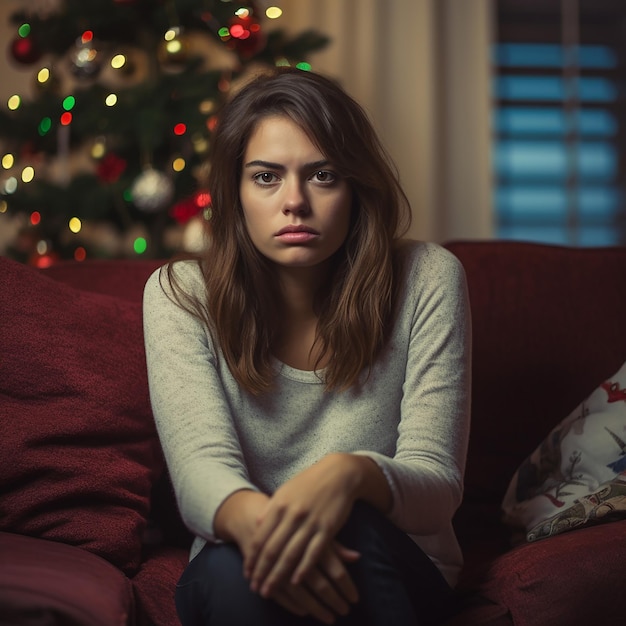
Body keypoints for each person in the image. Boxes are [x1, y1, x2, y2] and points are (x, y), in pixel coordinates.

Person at [143, 67, 471, 626]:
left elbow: (437, 485)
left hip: (395, 557)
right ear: (234, 191)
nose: (294, 202)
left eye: (322, 175)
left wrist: (348, 476)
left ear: (356, 187)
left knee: (353, 522)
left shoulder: (428, 278)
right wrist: (282, 541)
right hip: (240, 554)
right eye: (266, 177)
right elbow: (202, 478)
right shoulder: (179, 295)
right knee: (229, 572)